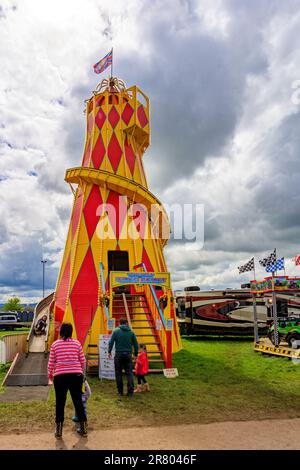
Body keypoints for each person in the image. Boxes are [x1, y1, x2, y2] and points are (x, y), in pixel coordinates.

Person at [48, 322, 87, 439]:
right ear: (71, 332)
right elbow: (83, 361)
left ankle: (59, 430)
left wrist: (50, 376)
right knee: (78, 402)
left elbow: (51, 363)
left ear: (61, 332)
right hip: (76, 376)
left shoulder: (55, 345)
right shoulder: (77, 344)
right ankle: (83, 428)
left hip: (60, 377)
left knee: (60, 402)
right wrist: (82, 374)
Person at [108, 318, 138, 397]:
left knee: (118, 374)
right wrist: (136, 354)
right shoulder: (131, 332)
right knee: (129, 373)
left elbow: (111, 342)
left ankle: (120, 392)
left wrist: (109, 351)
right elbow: (136, 344)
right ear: (126, 323)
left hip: (118, 355)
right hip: (128, 355)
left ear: (119, 323)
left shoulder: (116, 331)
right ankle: (130, 392)